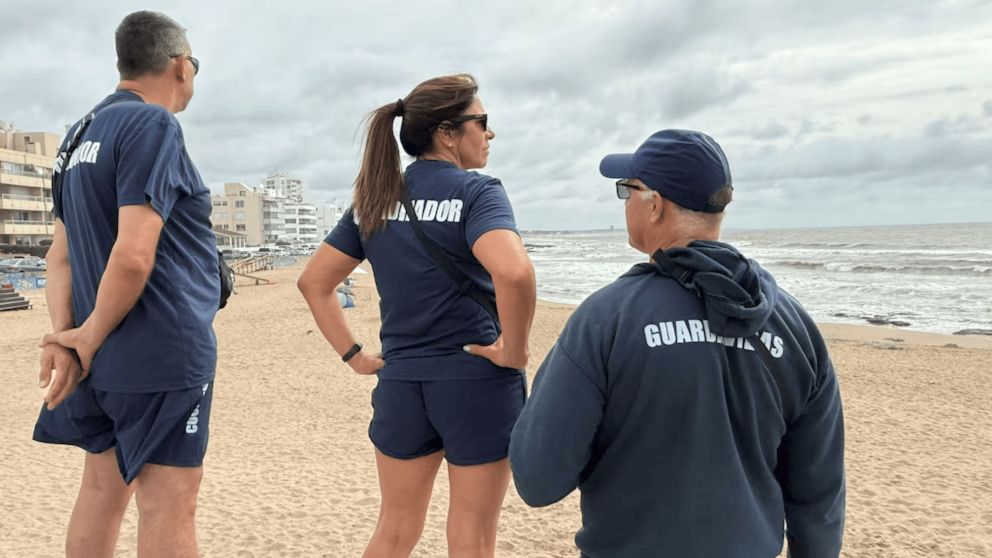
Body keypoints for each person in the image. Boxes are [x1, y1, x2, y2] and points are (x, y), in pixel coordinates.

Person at [509, 129, 845, 557]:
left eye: (625, 190)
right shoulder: (795, 326)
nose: (625, 201)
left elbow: (538, 477)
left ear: (654, 205)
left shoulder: (606, 320)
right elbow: (820, 496)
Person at [298, 74, 536, 558]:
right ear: (447, 133)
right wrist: (514, 349)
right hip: (477, 383)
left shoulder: (376, 199)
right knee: (471, 534)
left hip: (403, 383)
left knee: (395, 529)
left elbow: (314, 283)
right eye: (483, 122)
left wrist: (354, 355)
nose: (490, 133)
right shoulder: (477, 193)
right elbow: (513, 273)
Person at [33, 11, 217, 558]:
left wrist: (69, 338)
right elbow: (134, 254)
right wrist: (83, 337)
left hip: (101, 355)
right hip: (161, 349)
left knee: (100, 491)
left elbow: (59, 258)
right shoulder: (153, 124)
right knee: (169, 505)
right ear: (180, 66)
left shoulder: (77, 135)